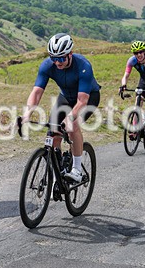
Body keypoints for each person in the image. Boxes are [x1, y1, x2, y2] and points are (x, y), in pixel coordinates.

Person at [21, 33, 101, 182]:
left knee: (72, 127)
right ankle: (58, 171)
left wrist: (70, 117)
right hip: (65, 97)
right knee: (53, 133)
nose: (57, 62)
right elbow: (37, 92)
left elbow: (82, 101)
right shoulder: (47, 65)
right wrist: (27, 114)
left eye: (61, 58)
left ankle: (77, 169)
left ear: (70, 53)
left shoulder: (83, 66)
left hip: (88, 98)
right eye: (54, 58)